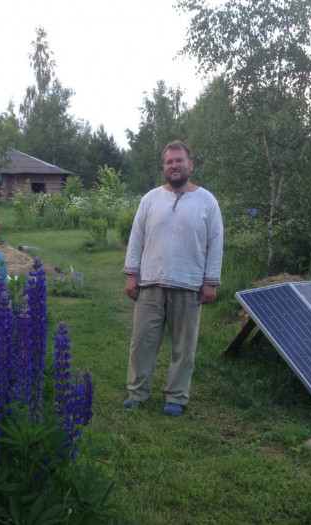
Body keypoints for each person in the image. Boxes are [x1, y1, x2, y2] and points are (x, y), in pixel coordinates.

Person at [122, 140, 223, 416]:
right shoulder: (150, 199)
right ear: (164, 167)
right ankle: (137, 393)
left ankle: (176, 397)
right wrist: (132, 274)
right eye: (169, 162)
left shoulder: (207, 201)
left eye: (179, 161)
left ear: (190, 165)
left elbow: (215, 243)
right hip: (151, 283)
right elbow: (136, 238)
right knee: (141, 341)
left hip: (189, 285)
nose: (174, 166)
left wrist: (210, 281)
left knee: (184, 345)